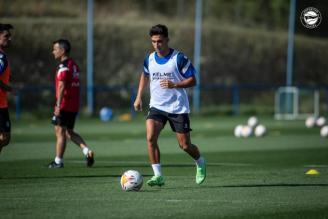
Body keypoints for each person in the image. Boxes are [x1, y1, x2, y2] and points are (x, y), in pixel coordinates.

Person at [134, 24, 206, 186]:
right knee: (150, 137)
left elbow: (193, 80)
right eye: (153, 41)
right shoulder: (150, 59)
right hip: (157, 106)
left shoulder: (178, 58)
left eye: (159, 41)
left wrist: (175, 85)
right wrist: (138, 97)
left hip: (177, 107)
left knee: (185, 145)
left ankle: (200, 161)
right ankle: (158, 175)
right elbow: (145, 76)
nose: (156, 45)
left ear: (167, 40)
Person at [48, 39, 94, 168]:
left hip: (64, 105)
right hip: (73, 105)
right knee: (69, 132)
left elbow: (61, 86)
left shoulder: (63, 67)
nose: (53, 52)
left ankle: (58, 161)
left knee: (59, 132)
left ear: (62, 51)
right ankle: (87, 151)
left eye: (55, 49)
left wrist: (58, 105)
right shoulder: (74, 65)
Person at [0, 23, 14, 154]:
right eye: (6, 36)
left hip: (2, 104)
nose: (9, 39)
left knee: (4, 138)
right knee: (5, 137)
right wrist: (7, 87)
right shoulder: (0, 56)